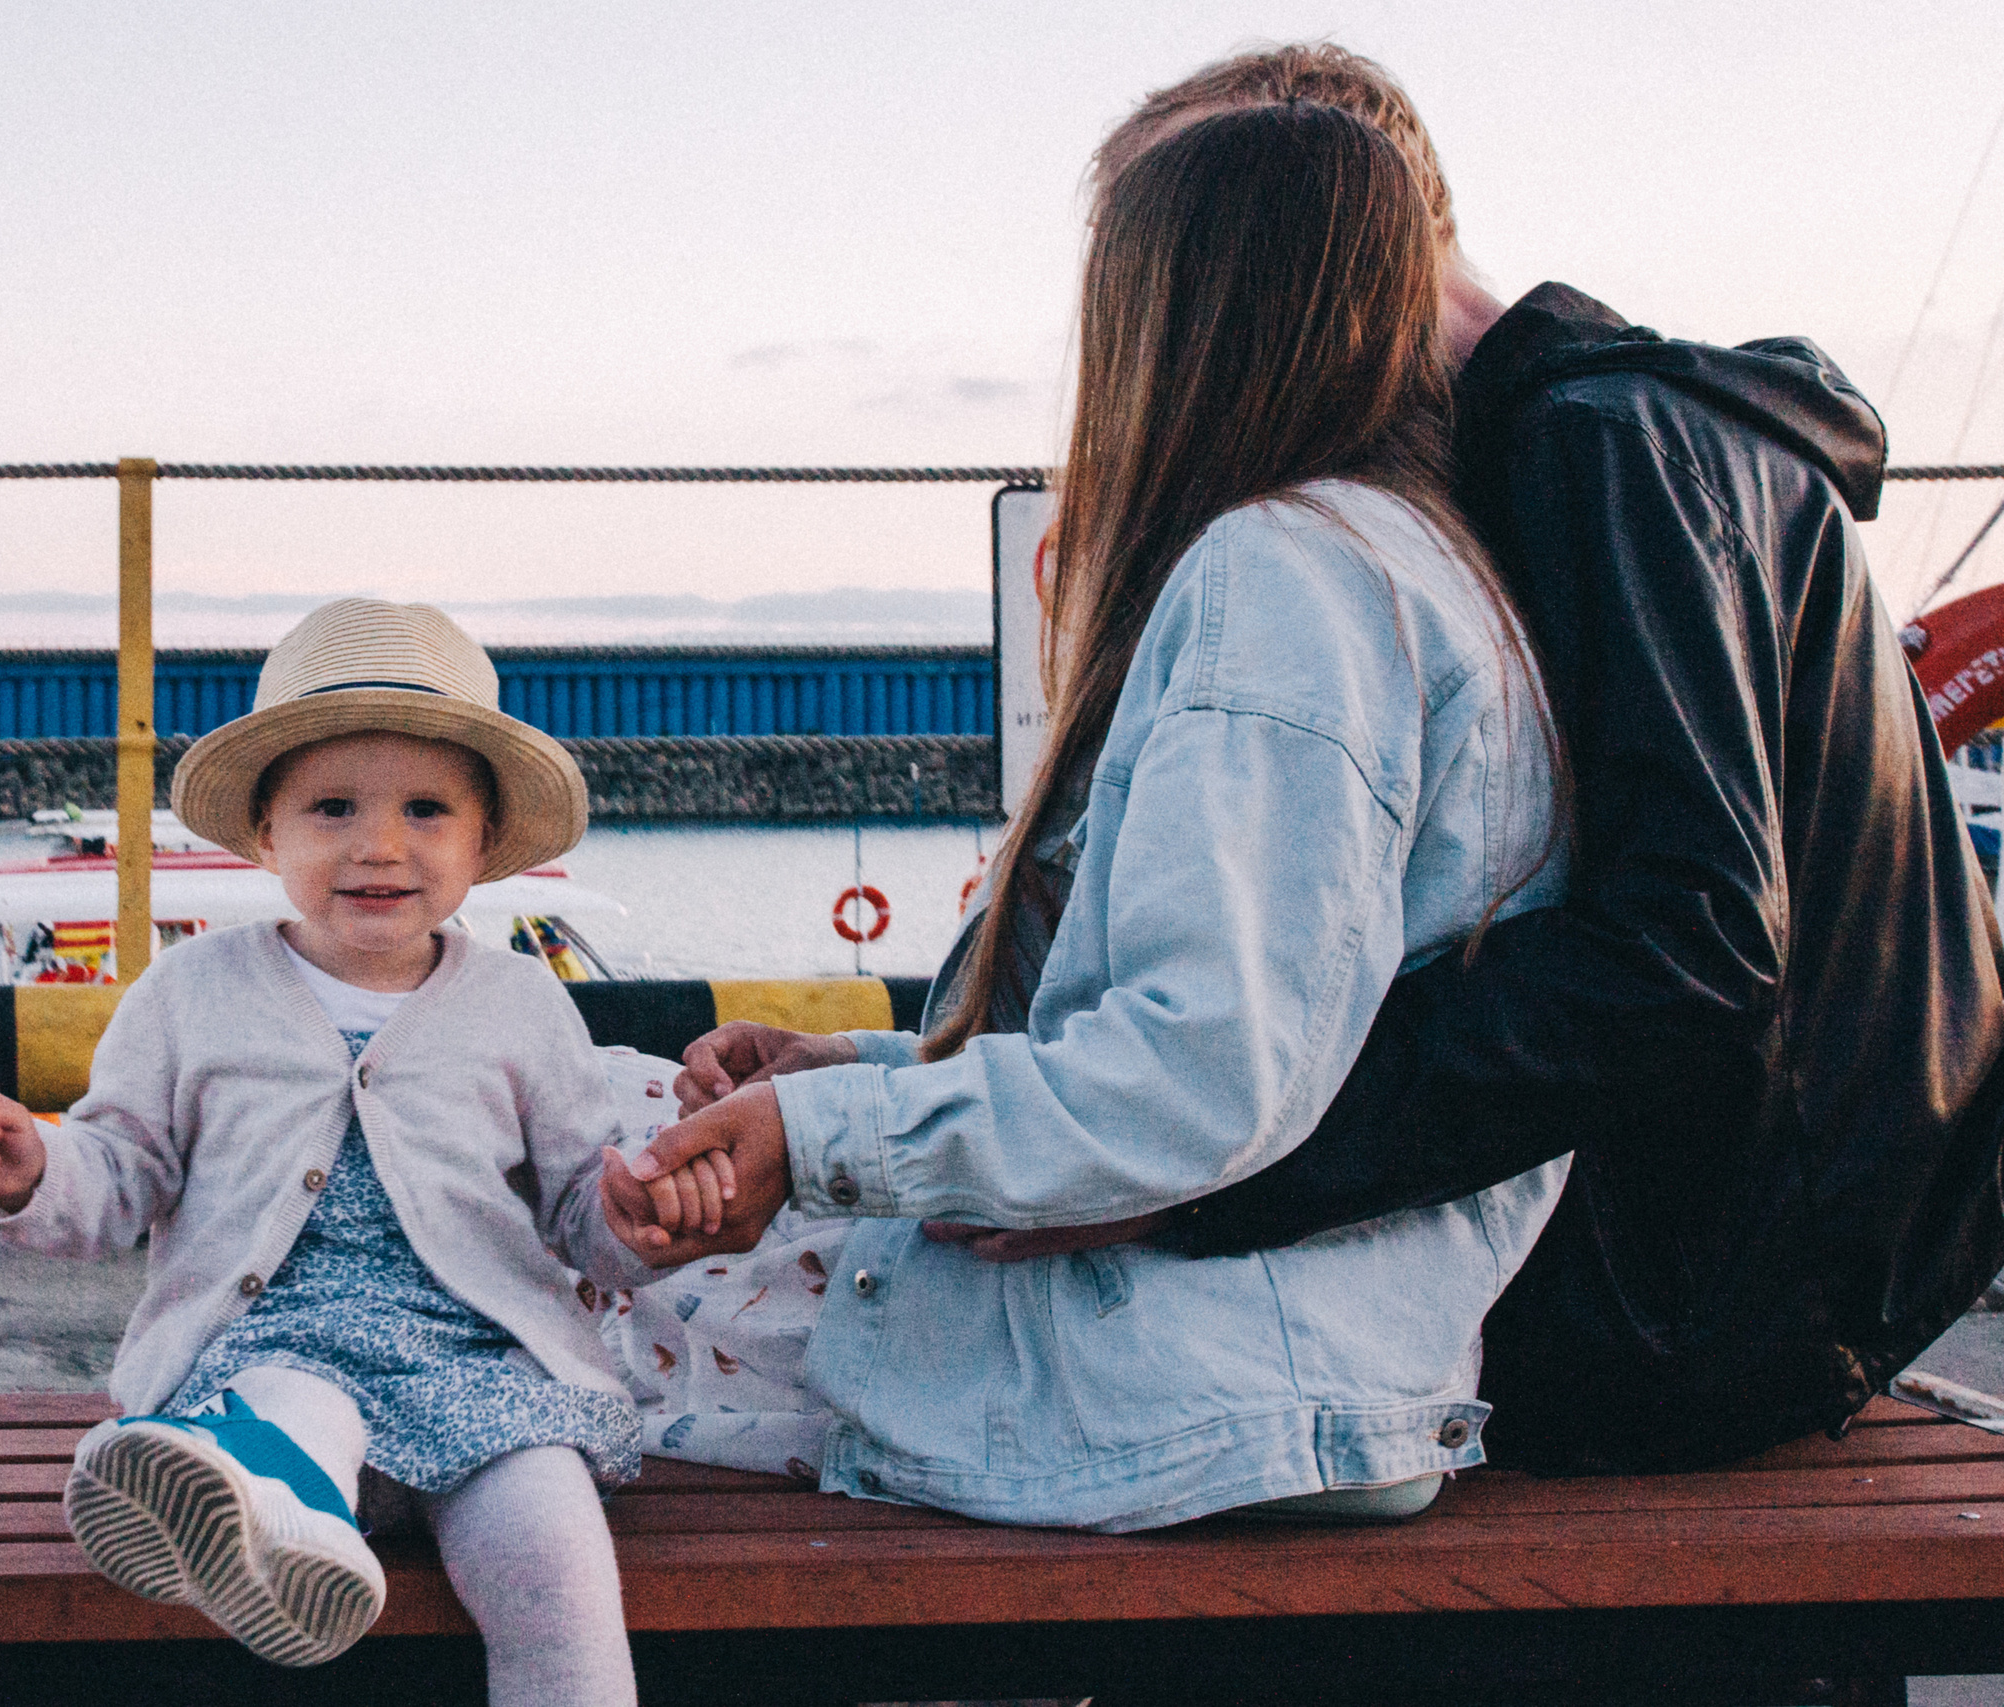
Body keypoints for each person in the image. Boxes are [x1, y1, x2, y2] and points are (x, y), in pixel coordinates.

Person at [679, 43, 2004, 1477]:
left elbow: (1685, 951)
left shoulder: (1588, 447)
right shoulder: (1540, 465)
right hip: (1787, 1241)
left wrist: (1191, 1183)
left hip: (1711, 1289)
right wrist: (921, 1079)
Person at [603, 101, 1570, 1531]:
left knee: (524, 1301)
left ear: (1167, 317)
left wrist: (811, 1134)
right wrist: (856, 1065)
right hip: (1311, 1364)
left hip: (1169, 1399)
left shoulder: (1281, 574)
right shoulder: (1445, 570)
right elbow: (1274, 1038)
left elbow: (1192, 1073)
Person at [0, 598, 664, 1705]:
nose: (379, 845)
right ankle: (282, 1515)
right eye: (333, 808)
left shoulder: (520, 1001)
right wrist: (36, 1169)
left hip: (481, 1368)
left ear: (482, 844)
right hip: (268, 1343)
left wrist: (638, 1217)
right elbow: (120, 1170)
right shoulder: (191, 990)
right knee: (288, 1407)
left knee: (555, 1556)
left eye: (427, 810)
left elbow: (577, 1206)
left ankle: (303, 1526)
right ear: (267, 835)